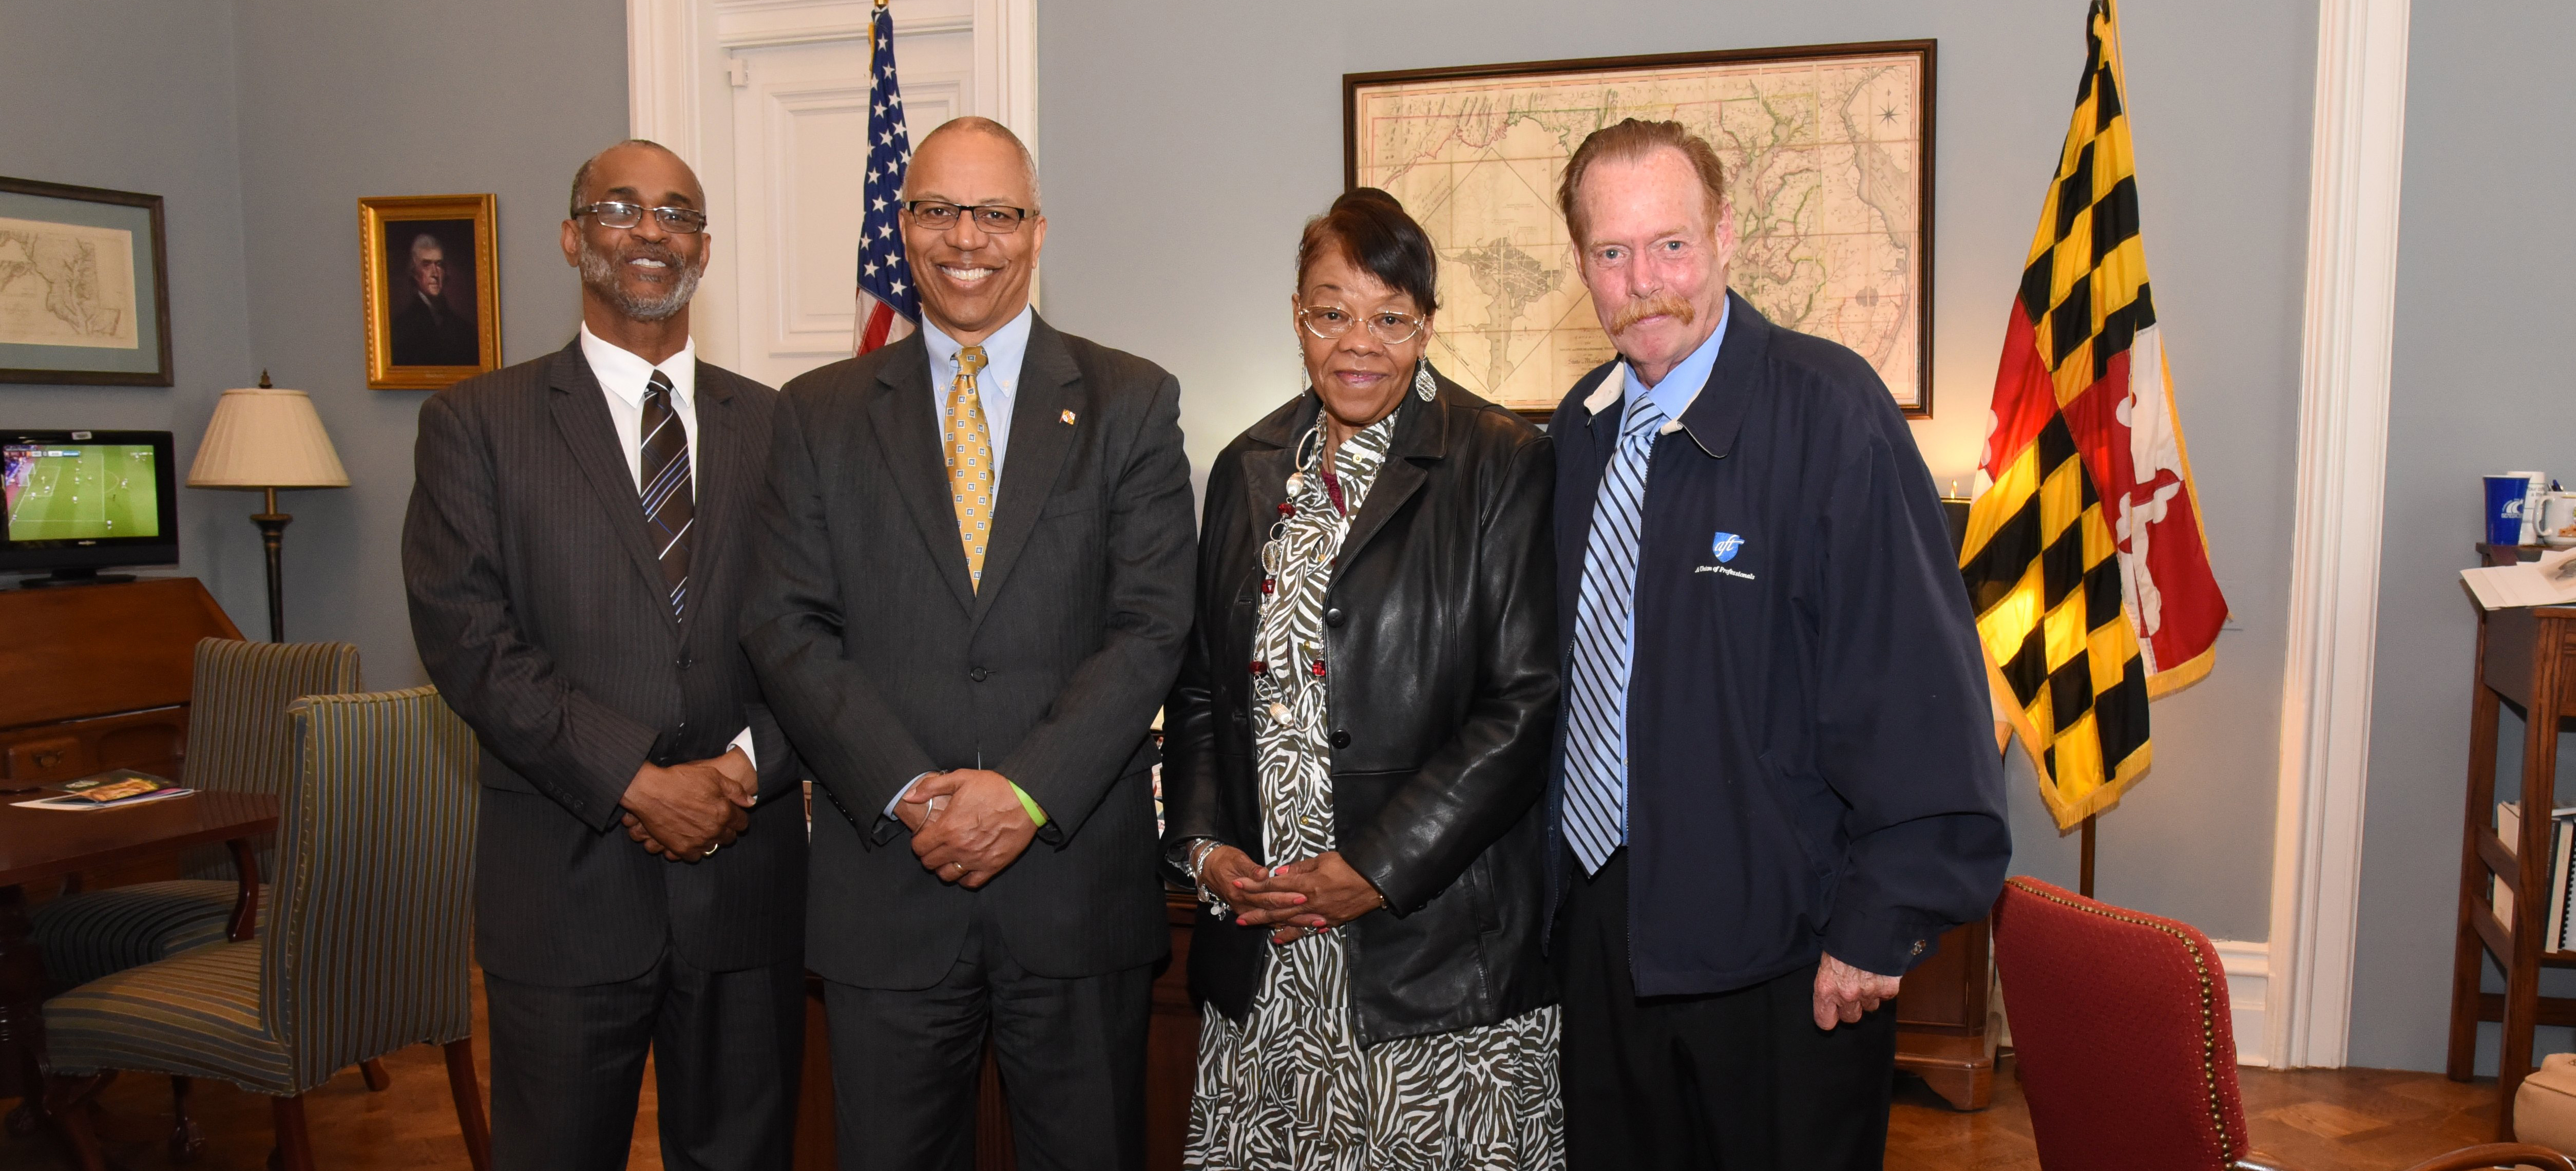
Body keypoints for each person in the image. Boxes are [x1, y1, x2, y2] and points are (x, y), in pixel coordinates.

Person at [1543, 118, 2011, 1170]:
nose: (1643, 282)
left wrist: (1881, 922)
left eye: (1670, 244)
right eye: (1611, 253)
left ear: (1725, 235)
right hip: (1608, 939)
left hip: (1785, 956)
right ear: (1581, 265)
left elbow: (1915, 685)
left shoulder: (1832, 413)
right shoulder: (1580, 428)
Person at [741, 116, 1195, 1171]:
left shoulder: (1130, 402)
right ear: (902, 226)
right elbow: (785, 625)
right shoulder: (816, 414)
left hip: (1073, 898)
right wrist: (910, 790)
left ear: (1036, 231)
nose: (965, 238)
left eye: (995, 212)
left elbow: (1151, 624)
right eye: (938, 209)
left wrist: (1024, 793)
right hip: (888, 892)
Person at [403, 139, 808, 1171]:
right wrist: (636, 780)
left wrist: (743, 771)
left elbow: (825, 632)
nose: (650, 231)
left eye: (677, 214)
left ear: (703, 248)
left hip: (746, 884)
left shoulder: (783, 428)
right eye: (621, 208)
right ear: (572, 236)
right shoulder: (476, 424)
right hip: (564, 890)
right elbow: (468, 638)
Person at [1161, 187, 1562, 1169]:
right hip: (1269, 952)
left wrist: (1373, 870)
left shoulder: (1500, 463)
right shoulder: (1246, 466)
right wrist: (1205, 848)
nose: (1358, 344)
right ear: (1297, 316)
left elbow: (1523, 705)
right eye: (1332, 312)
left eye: (1390, 318)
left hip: (1430, 960)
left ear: (1427, 325)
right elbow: (1204, 686)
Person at [388, 231, 480, 366]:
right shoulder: (401, 329)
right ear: (415, 273)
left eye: (439, 265)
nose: (435, 274)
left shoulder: (465, 330)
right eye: (426, 265)